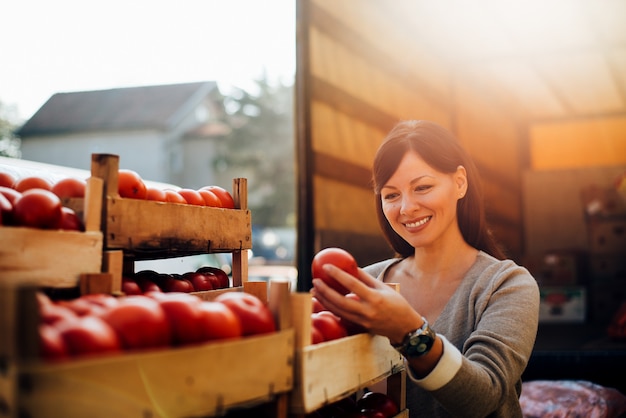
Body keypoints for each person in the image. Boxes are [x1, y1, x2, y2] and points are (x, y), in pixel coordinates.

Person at [311, 120, 540, 417]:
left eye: (422, 187)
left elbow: (484, 398)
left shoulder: (507, 285)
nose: (406, 208)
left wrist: (409, 332)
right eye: (391, 195)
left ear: (460, 183)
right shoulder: (364, 283)